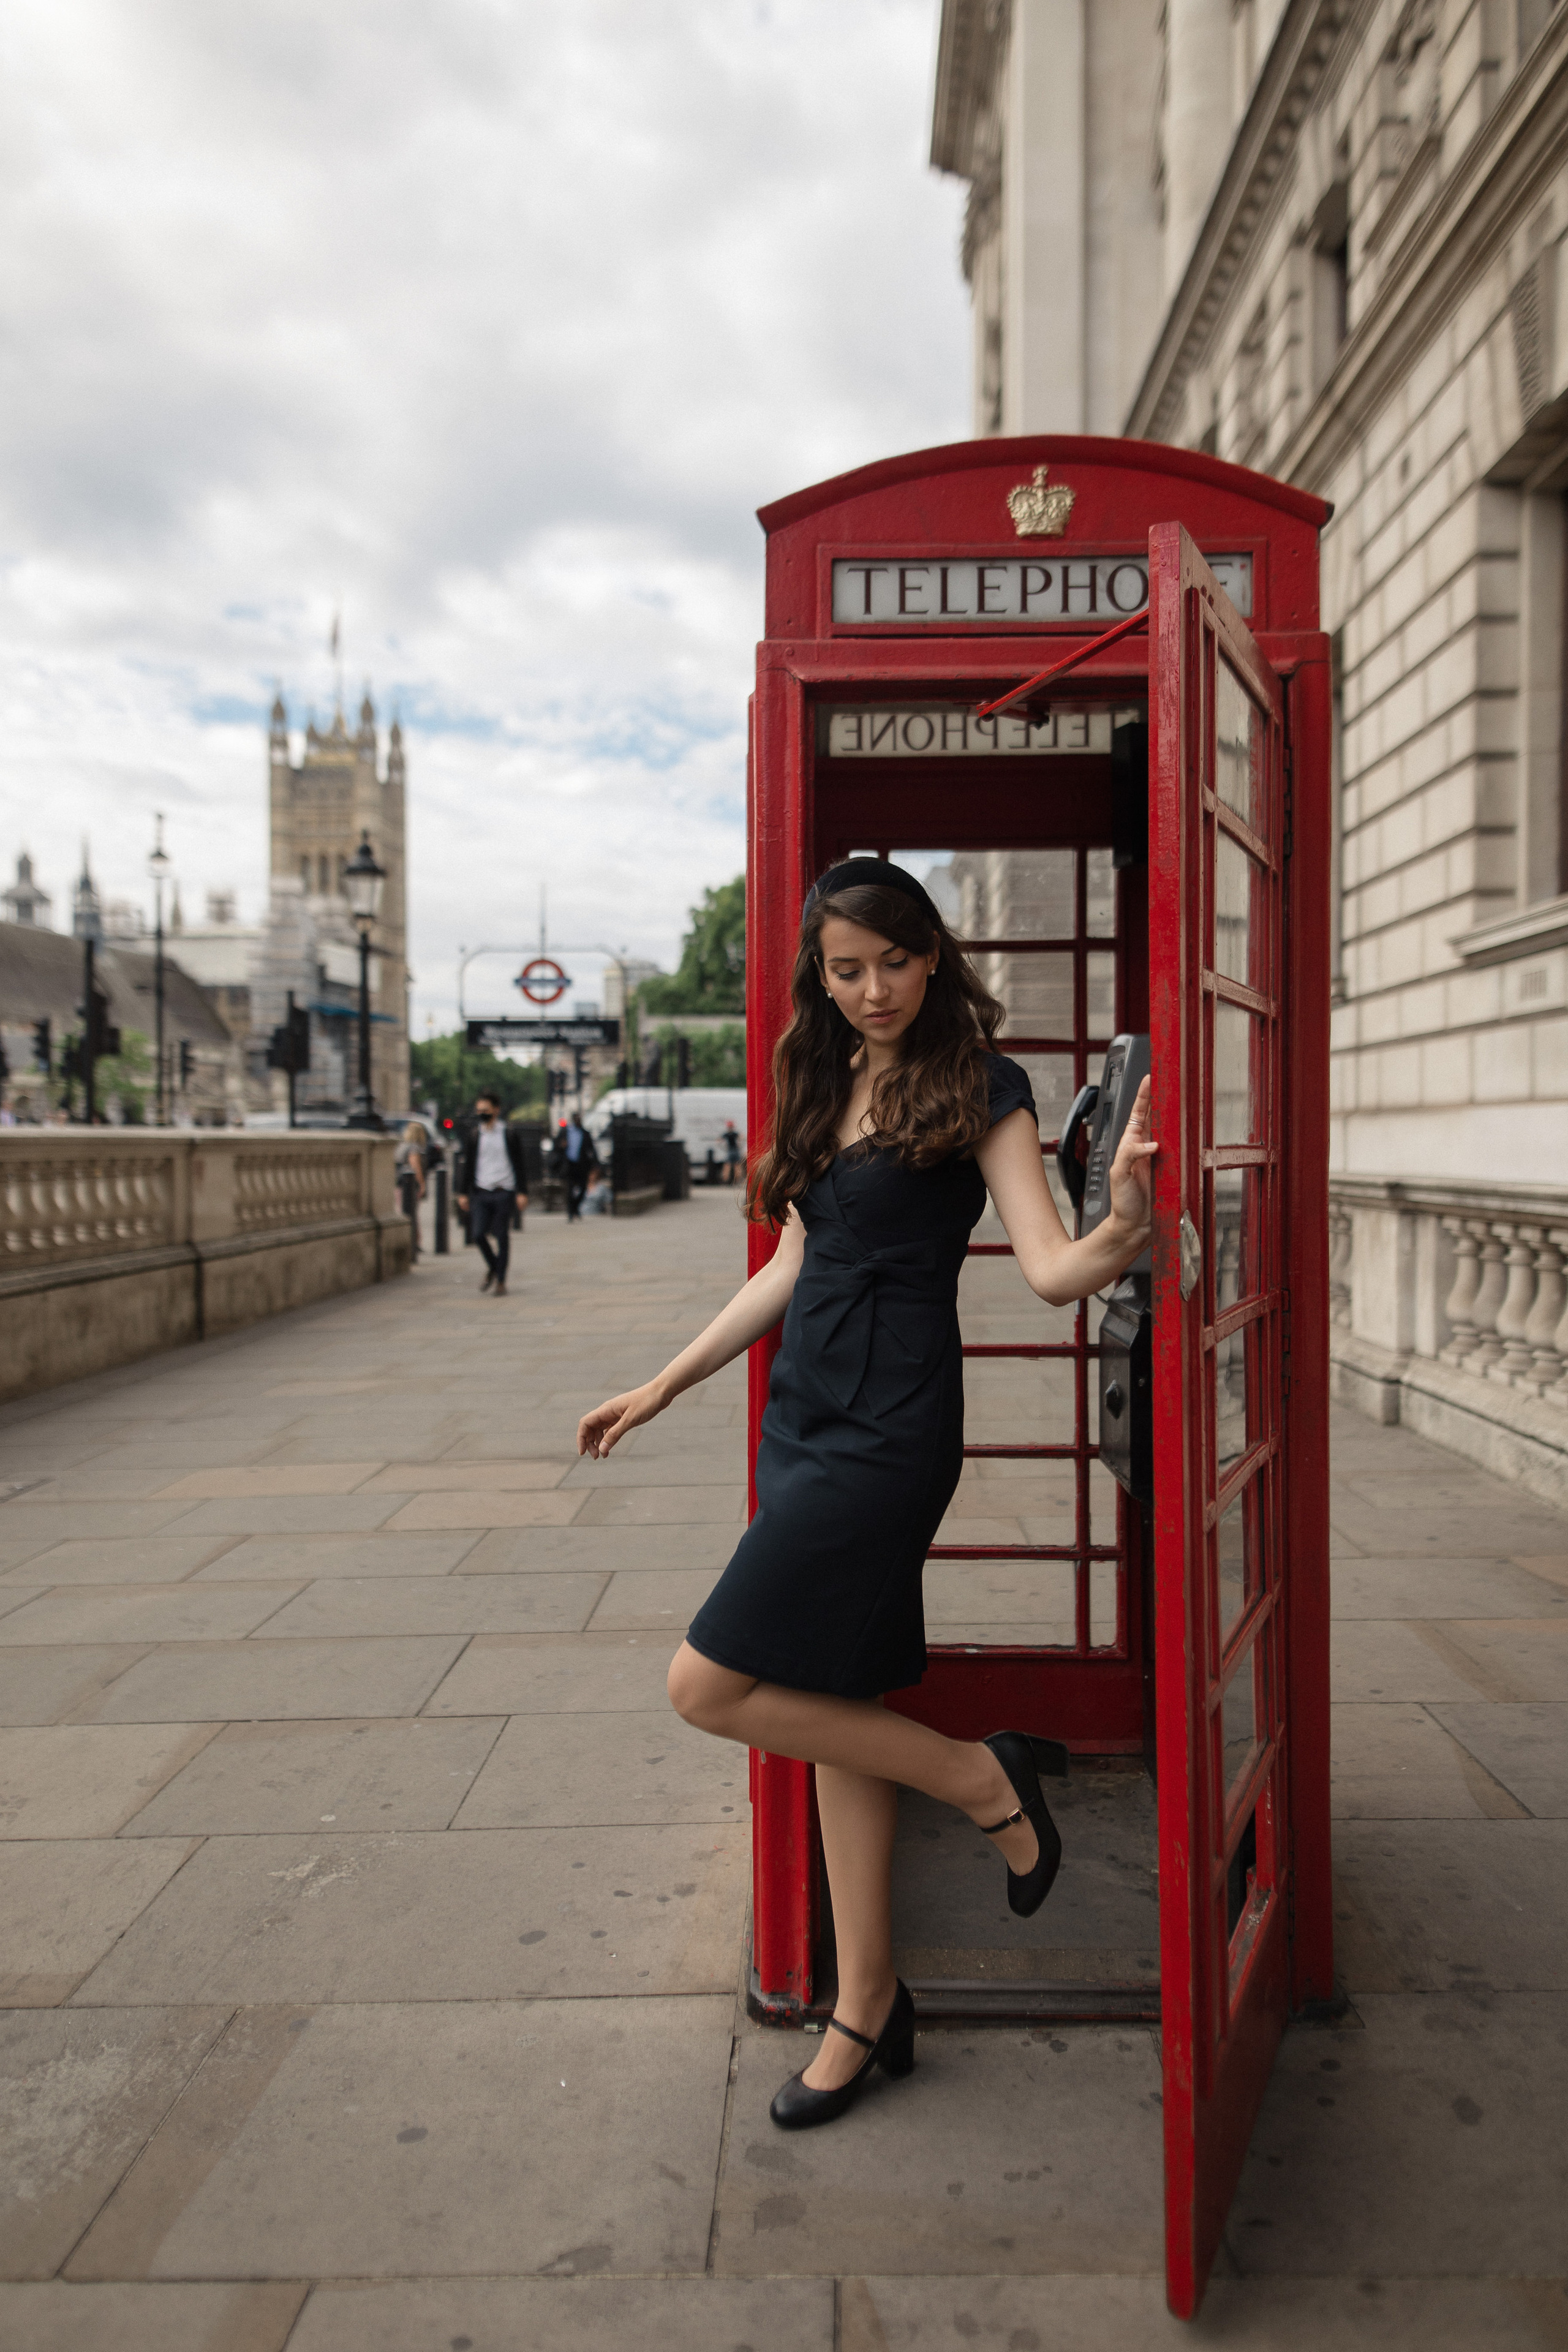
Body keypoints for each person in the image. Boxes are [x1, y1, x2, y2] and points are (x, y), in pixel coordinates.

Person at [578, 858, 1155, 2132]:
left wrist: (1118, 1228)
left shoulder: (980, 1086)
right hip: (805, 1416)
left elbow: (1052, 1267)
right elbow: (793, 1258)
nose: (872, 988)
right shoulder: (820, 1074)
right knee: (830, 1701)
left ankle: (979, 1777)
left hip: (892, 1429)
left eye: (892, 961)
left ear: (930, 955)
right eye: (845, 969)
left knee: (705, 1684)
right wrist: (662, 1384)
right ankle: (867, 2003)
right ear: (818, 974)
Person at [455, 1088, 529, 1297]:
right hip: (481, 1191)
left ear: (496, 1110)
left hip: (503, 1190)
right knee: (478, 1234)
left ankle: (501, 1281)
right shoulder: (475, 1136)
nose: (482, 1114)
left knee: (501, 1234)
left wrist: (522, 1192)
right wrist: (463, 1193)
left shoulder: (509, 1133)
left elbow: (519, 1165)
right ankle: (495, 1267)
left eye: (485, 1110)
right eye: (479, 1110)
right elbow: (468, 1165)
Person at [395, 1120, 428, 1261]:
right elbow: (415, 1167)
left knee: (406, 1212)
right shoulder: (414, 1147)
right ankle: (414, 1242)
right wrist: (422, 1184)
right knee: (412, 1214)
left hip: (399, 1184)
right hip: (409, 1185)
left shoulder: (402, 1146)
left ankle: (411, 1242)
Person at [559, 1109, 596, 1221]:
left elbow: (592, 1150)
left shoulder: (585, 1133)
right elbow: (557, 1146)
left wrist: (596, 1164)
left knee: (583, 1189)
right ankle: (571, 1212)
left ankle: (575, 1208)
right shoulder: (566, 1132)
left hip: (582, 1166)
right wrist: (562, 1146)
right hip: (570, 1165)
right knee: (570, 1190)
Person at [722, 1119, 742, 1186]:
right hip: (735, 1150)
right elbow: (741, 1138)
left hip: (730, 1151)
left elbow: (719, 1141)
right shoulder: (735, 1134)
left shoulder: (727, 1134)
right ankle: (737, 1181)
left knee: (728, 1166)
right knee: (736, 1166)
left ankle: (726, 1181)